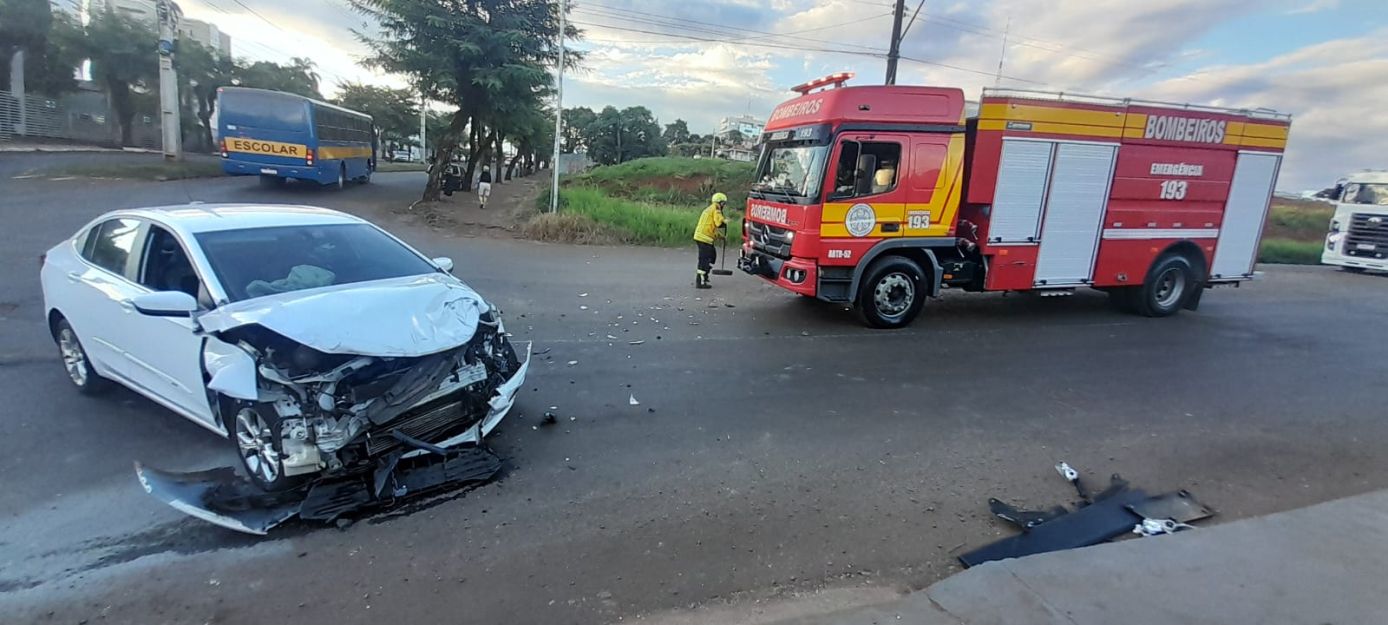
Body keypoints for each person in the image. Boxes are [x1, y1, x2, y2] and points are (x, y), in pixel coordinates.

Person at [692, 192, 728, 289]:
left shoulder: (710, 209)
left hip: (703, 237)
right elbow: (718, 223)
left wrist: (721, 237)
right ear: (719, 203)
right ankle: (701, 282)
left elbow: (711, 227)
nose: (724, 205)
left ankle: (705, 275)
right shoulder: (716, 209)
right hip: (704, 239)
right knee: (704, 260)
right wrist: (724, 221)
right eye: (723, 203)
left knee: (712, 256)